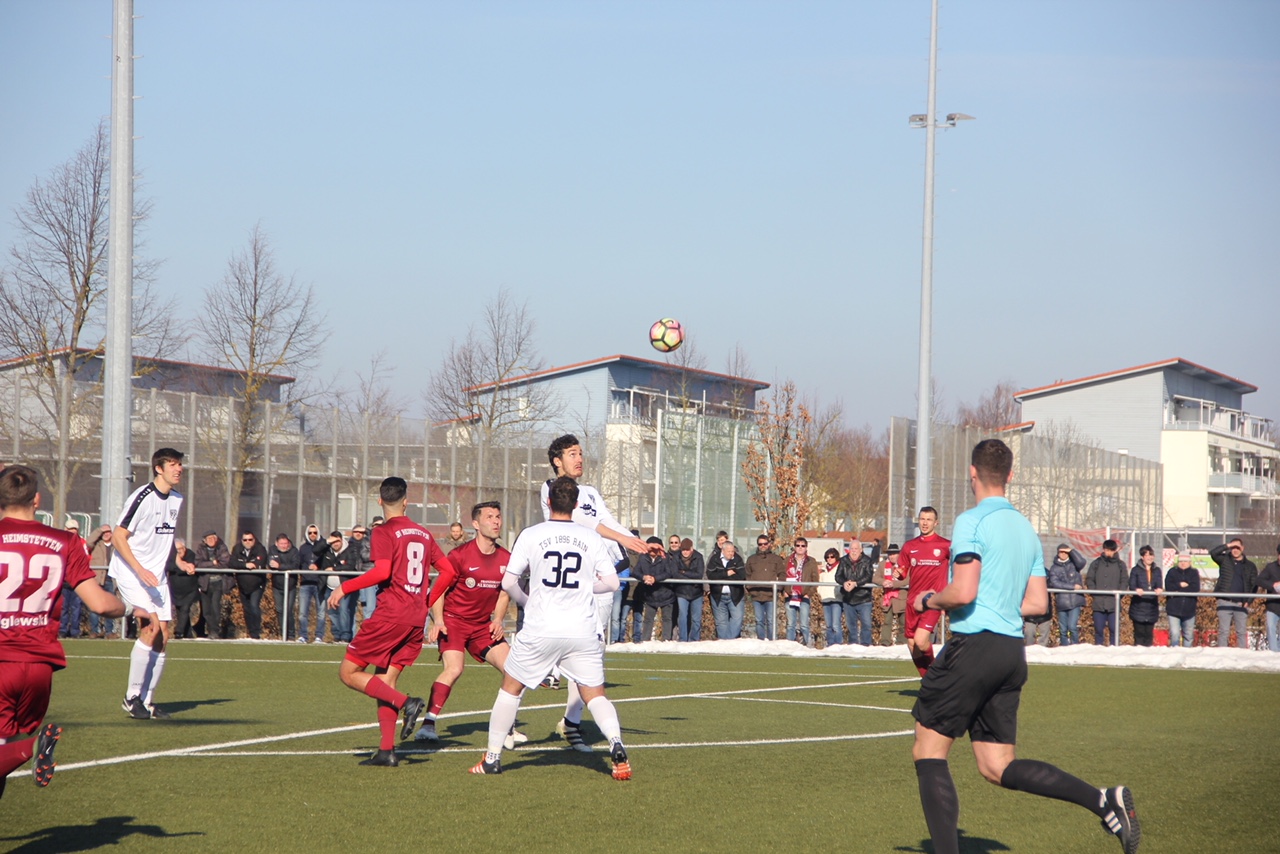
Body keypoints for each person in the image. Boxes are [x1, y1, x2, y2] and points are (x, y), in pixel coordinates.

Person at [909, 439, 1140, 854]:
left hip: (974, 647)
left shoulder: (971, 521)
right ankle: (1103, 800)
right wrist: (997, 603)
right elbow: (1037, 604)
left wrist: (927, 600)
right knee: (996, 766)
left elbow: (962, 592)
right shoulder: (1025, 530)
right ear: (1010, 476)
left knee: (928, 750)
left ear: (972, 473)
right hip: (1010, 653)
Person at [470, 476, 630, 780]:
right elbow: (611, 582)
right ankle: (615, 742)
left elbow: (509, 582)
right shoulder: (591, 537)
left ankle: (492, 758)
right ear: (577, 504)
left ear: (548, 502)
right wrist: (585, 589)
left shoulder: (532, 534)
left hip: (541, 627)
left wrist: (527, 600)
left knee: (511, 688)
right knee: (595, 694)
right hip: (581, 630)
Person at [0, 465, 126, 799]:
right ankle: (25, 747)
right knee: (2, 752)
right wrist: (128, 608)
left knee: (7, 748)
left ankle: (29, 748)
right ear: (36, 500)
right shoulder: (64, 541)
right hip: (38, 667)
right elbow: (99, 604)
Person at [328, 476, 452, 766]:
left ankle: (407, 703)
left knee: (348, 673)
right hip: (415, 619)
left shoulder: (383, 531)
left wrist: (345, 587)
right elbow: (447, 571)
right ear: (406, 502)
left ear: (380, 501)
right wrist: (428, 599)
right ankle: (387, 751)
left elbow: (382, 572)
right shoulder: (423, 533)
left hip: (391, 614)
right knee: (385, 681)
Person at [537, 434, 646, 744]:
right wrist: (623, 538)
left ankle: (571, 721)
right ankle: (508, 722)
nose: (579, 458)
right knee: (564, 646)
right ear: (557, 460)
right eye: (572, 453)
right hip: (573, 583)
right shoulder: (551, 489)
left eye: (581, 453)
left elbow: (608, 521)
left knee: (592, 653)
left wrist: (638, 543)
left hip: (601, 579)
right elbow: (582, 520)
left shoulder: (591, 493)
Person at [415, 501, 515, 745]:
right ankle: (428, 724)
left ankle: (507, 730)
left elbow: (504, 594)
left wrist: (498, 619)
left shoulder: (507, 558)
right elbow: (438, 590)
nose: (496, 521)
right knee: (454, 669)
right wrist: (438, 620)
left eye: (498, 516)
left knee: (514, 671)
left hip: (482, 626)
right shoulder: (459, 556)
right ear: (476, 524)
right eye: (489, 517)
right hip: (454, 622)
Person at [108, 448, 184, 720]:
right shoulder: (142, 497)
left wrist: (178, 561)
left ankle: (147, 701)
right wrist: (140, 570)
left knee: (163, 636)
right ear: (158, 469)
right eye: (172, 464)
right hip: (132, 572)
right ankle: (131, 698)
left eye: (179, 464)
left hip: (156, 576)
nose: (178, 469)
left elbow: (163, 539)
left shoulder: (177, 499)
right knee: (150, 626)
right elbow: (118, 537)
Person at [895, 508, 952, 673]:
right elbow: (903, 571)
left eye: (929, 519)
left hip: (932, 601)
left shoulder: (946, 545)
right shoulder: (909, 546)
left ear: (936, 523)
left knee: (920, 641)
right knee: (912, 644)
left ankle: (936, 676)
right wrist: (899, 573)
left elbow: (961, 565)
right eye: (922, 519)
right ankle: (928, 681)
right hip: (913, 602)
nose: (925, 523)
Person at [1209, 538, 1257, 648]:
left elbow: (1254, 585)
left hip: (1241, 603)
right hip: (1224, 602)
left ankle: (1242, 654)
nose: (1235, 550)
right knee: (1223, 631)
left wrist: (1249, 601)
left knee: (1241, 632)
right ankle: (1223, 653)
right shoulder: (1224, 560)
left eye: (1237, 547)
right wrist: (1228, 545)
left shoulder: (1250, 566)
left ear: (1242, 548)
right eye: (1233, 548)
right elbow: (1213, 553)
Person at [1085, 540, 1127, 646]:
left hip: (1114, 603)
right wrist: (1095, 593)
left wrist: (1119, 595)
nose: (1108, 553)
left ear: (1115, 551)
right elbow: (1089, 579)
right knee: (1099, 629)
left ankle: (1114, 649)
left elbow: (1124, 581)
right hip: (1099, 603)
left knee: (1114, 629)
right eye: (1107, 550)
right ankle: (1099, 649)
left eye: (1111, 550)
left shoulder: (1120, 565)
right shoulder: (1096, 563)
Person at [322, 532, 360, 643]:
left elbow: (350, 566)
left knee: (343, 610)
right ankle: (337, 635)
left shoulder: (349, 550)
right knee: (332, 612)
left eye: (337, 541)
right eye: (333, 542)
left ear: (341, 540)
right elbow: (315, 550)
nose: (335, 544)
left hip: (343, 587)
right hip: (329, 587)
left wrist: (334, 569)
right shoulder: (327, 551)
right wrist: (326, 542)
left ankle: (345, 636)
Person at [192, 529, 231, 640]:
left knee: (215, 608)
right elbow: (198, 564)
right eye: (209, 538)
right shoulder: (201, 549)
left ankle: (215, 631)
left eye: (213, 538)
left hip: (218, 582)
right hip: (205, 583)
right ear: (204, 540)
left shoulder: (222, 547)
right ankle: (211, 629)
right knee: (206, 611)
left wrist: (207, 565)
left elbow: (225, 563)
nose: (211, 540)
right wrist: (212, 563)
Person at [229, 532, 268, 640]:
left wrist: (249, 565)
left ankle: (256, 633)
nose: (247, 542)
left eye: (250, 539)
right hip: (242, 585)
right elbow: (232, 563)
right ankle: (251, 632)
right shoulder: (237, 549)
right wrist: (245, 565)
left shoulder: (260, 549)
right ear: (242, 541)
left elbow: (260, 563)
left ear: (254, 540)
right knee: (247, 609)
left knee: (254, 607)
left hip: (257, 584)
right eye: (245, 540)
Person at [836, 538, 875, 645]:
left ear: (861, 550)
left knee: (866, 625)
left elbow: (868, 576)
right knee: (851, 626)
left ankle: (866, 645)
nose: (853, 551)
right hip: (848, 598)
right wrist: (844, 582)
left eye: (856, 549)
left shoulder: (867, 561)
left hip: (864, 598)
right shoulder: (843, 561)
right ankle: (853, 646)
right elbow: (838, 576)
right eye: (852, 548)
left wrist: (855, 583)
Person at [746, 534, 785, 640]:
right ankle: (761, 641)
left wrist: (779, 588)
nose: (763, 546)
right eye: (760, 544)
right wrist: (749, 587)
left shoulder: (776, 559)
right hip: (756, 594)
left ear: (769, 544)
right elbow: (747, 574)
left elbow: (782, 574)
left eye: (765, 543)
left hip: (771, 595)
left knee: (771, 620)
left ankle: (771, 641)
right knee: (759, 620)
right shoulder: (751, 559)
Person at [1046, 544, 1086, 646]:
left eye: (1065, 552)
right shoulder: (1054, 568)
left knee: (1072, 627)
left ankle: (1075, 646)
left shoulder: (1074, 564)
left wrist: (1072, 551)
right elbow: (1055, 583)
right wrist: (1072, 586)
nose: (1063, 554)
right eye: (1061, 552)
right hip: (1062, 602)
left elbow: (1082, 562)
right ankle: (1064, 648)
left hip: (1075, 601)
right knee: (1063, 629)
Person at [638, 537, 676, 641]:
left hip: (666, 594)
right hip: (650, 595)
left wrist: (655, 579)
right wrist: (644, 577)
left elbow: (669, 572)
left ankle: (666, 640)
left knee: (667, 618)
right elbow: (636, 571)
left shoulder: (665, 558)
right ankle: (645, 640)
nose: (652, 551)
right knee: (648, 619)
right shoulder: (643, 557)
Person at [707, 541, 745, 639]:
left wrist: (721, 577)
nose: (731, 553)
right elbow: (711, 576)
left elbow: (741, 576)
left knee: (737, 619)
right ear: (722, 551)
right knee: (721, 622)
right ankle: (723, 643)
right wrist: (726, 574)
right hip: (718, 596)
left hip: (735, 596)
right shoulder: (714, 559)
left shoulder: (738, 559)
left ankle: (729, 641)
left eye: (732, 551)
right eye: (729, 551)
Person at [296, 525, 327, 643]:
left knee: (321, 613)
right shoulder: (303, 548)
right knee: (302, 613)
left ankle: (319, 636)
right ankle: (303, 636)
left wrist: (318, 567)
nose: (312, 535)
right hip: (305, 583)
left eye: (315, 532)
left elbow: (326, 562)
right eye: (310, 533)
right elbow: (299, 564)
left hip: (320, 584)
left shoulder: (323, 547)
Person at [785, 537, 819, 646]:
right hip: (790, 595)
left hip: (804, 596)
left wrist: (809, 594)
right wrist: (784, 591)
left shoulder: (811, 561)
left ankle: (804, 646)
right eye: (798, 545)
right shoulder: (787, 560)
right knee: (790, 624)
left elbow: (815, 579)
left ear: (806, 547)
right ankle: (789, 646)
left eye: (803, 546)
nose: (800, 548)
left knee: (804, 624)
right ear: (794, 547)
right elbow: (782, 577)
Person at [268, 533, 302, 640]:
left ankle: (291, 635)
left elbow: (295, 565)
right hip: (277, 586)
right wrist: (277, 566)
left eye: (285, 543)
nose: (283, 546)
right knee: (279, 610)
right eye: (281, 543)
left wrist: (280, 566)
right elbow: (270, 564)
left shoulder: (294, 551)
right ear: (276, 543)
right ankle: (283, 634)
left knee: (288, 611)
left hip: (290, 586)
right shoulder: (272, 550)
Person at [1127, 546, 1163, 647]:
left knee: (1149, 634)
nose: (1149, 557)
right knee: (1139, 633)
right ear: (1142, 557)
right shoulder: (1135, 570)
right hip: (1139, 606)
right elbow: (1132, 585)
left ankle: (1148, 653)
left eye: (1151, 555)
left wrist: (1159, 589)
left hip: (1151, 607)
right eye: (1147, 555)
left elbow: (1159, 584)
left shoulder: (1157, 570)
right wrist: (1136, 589)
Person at [86, 525, 117, 638]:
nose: (106, 534)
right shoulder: (96, 545)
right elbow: (88, 542)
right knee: (95, 606)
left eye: (108, 532)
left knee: (110, 607)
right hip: (97, 579)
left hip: (110, 579)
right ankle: (94, 631)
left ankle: (109, 631)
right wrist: (99, 530)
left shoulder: (116, 545)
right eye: (104, 532)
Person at [166, 538, 200, 639]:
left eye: (180, 549)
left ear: (184, 548)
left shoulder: (191, 555)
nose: (179, 552)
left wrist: (179, 567)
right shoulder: (171, 556)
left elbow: (189, 567)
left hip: (189, 590)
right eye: (176, 550)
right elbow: (168, 566)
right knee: (179, 611)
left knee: (185, 610)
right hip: (176, 590)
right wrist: (179, 567)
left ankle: (179, 632)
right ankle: (188, 633)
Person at [673, 538, 706, 642]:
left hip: (696, 592)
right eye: (683, 550)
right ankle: (683, 639)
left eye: (687, 550)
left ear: (692, 549)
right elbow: (675, 574)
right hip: (682, 591)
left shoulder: (698, 557)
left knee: (696, 618)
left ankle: (694, 639)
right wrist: (690, 576)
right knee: (682, 616)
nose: (685, 552)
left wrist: (684, 572)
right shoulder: (676, 557)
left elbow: (699, 575)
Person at [1163, 552, 1200, 648]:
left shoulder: (1194, 573)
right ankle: (1174, 653)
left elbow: (1195, 588)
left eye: (1185, 561)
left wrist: (1179, 589)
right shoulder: (1172, 572)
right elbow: (1168, 587)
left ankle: (1187, 654)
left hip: (1189, 609)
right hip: (1173, 609)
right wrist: (1180, 585)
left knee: (1188, 635)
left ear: (1190, 562)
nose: (1183, 563)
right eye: (1181, 561)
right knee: (1175, 634)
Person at [57, 520, 83, 638]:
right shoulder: (60, 543)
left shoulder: (82, 543)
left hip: (77, 581)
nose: (72, 531)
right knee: (63, 607)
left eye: (74, 529)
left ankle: (75, 631)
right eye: (70, 529)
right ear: (65, 529)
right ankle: (62, 630)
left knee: (76, 608)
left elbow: (86, 558)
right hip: (64, 580)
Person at [880, 547, 907, 646]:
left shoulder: (905, 565)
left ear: (899, 554)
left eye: (894, 554)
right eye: (890, 554)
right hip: (888, 599)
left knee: (903, 623)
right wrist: (883, 581)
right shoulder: (882, 564)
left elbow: (909, 580)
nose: (891, 556)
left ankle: (902, 643)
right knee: (887, 622)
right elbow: (875, 578)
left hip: (901, 598)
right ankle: (885, 642)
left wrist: (894, 584)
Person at [1256, 544, 1280, 652]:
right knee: (1270, 627)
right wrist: (1273, 585)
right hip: (1273, 605)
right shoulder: (1271, 567)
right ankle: (1273, 651)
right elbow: (1259, 580)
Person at [350, 524, 376, 623]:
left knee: (368, 605)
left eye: (361, 532)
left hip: (366, 576)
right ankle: (351, 632)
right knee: (353, 607)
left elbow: (375, 536)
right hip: (353, 576)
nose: (358, 533)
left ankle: (368, 628)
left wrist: (367, 530)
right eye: (356, 531)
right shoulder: (349, 544)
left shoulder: (368, 541)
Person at [818, 548, 843, 647]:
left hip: (836, 598)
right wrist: (820, 592)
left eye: (832, 557)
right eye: (827, 557)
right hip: (825, 598)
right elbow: (819, 582)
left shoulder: (840, 568)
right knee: (828, 625)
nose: (829, 559)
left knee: (836, 625)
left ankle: (838, 644)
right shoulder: (823, 569)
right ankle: (830, 644)